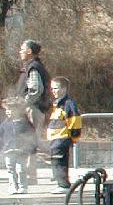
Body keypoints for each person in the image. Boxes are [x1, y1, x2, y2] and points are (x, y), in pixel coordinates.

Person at [15, 39, 51, 183]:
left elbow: (36, 90)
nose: (20, 52)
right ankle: (30, 175)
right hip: (33, 108)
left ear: (29, 51)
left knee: (30, 140)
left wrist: (23, 103)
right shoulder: (32, 66)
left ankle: (30, 175)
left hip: (32, 109)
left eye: (22, 49)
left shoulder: (33, 67)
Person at [46, 77, 82, 193]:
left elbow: (75, 121)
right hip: (54, 139)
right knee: (55, 161)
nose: (53, 91)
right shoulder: (56, 104)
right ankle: (60, 182)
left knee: (59, 161)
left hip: (62, 138)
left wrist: (73, 137)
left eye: (56, 88)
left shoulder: (68, 104)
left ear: (64, 89)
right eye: (52, 89)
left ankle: (64, 185)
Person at [0, 97, 36, 194]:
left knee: (21, 169)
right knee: (10, 169)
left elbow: (32, 136)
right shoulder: (5, 124)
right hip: (8, 150)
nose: (8, 112)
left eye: (10, 109)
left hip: (22, 151)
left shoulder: (25, 123)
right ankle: (12, 186)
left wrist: (31, 149)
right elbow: (1, 137)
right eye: (6, 109)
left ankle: (23, 186)